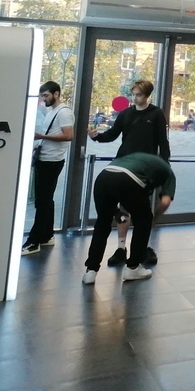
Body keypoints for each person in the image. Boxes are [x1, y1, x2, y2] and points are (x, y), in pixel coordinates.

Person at [87, 80, 169, 266]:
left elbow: (163, 142)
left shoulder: (156, 114)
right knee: (123, 210)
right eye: (133, 94)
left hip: (143, 169)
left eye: (139, 95)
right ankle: (121, 248)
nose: (135, 98)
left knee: (142, 213)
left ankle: (139, 251)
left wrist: (164, 165)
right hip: (123, 165)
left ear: (147, 96)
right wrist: (97, 137)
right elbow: (112, 134)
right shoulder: (125, 114)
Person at [82, 152, 176, 284]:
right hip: (128, 180)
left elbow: (116, 187)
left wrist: (116, 212)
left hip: (103, 177)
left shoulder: (137, 158)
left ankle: (90, 271)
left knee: (102, 223)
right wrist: (153, 220)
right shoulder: (168, 173)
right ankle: (133, 268)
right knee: (144, 220)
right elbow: (165, 202)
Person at [22, 81, 75, 255]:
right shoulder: (52, 111)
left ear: (56, 94)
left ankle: (34, 241)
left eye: (46, 95)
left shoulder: (64, 112)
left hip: (51, 161)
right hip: (46, 159)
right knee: (45, 200)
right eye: (42, 96)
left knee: (42, 202)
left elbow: (68, 135)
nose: (43, 99)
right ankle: (46, 235)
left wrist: (41, 136)